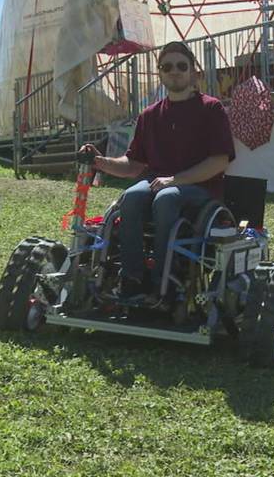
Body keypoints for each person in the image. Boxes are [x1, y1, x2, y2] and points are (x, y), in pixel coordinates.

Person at [78, 41, 235, 303]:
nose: (175, 71)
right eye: (167, 67)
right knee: (131, 196)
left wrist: (175, 180)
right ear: (160, 73)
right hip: (158, 183)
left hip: (200, 189)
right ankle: (133, 280)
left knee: (166, 198)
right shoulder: (149, 116)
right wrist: (100, 162)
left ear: (194, 72)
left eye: (181, 66)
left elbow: (219, 161)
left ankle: (166, 282)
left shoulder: (211, 109)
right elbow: (133, 165)